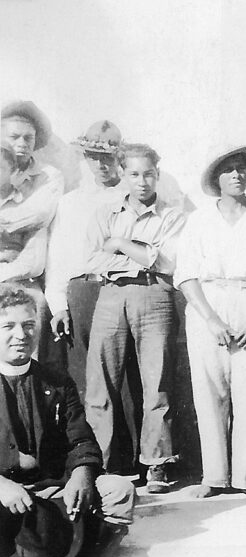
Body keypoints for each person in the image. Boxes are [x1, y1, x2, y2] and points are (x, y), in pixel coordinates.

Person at [0, 284, 135, 557]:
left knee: (119, 491)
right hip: (3, 492)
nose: (21, 335)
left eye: (28, 325)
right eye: (8, 326)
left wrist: (81, 474)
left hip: (50, 485)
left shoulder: (56, 380)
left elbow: (81, 439)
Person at [175, 145, 246, 499]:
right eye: (229, 170)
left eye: (242, 169)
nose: (237, 175)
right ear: (216, 178)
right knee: (209, 391)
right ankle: (214, 477)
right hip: (209, 305)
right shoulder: (199, 219)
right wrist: (212, 320)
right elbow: (186, 275)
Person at [83, 144, 184, 491]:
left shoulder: (172, 215)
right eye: (134, 174)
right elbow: (93, 261)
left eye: (149, 174)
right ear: (123, 175)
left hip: (155, 294)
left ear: (158, 173)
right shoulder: (105, 212)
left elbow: (168, 262)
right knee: (102, 381)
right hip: (111, 295)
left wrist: (121, 243)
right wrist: (142, 253)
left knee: (157, 381)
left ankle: (156, 462)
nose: (142, 182)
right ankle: (100, 463)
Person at [46, 121, 128, 395]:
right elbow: (57, 258)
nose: (101, 165)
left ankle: (124, 440)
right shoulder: (70, 202)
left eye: (107, 158)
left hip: (119, 290)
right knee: (83, 378)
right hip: (82, 294)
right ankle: (87, 439)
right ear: (86, 158)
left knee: (124, 380)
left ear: (119, 158)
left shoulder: (131, 197)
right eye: (94, 158)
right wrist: (59, 305)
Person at [0, 102, 64, 368]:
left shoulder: (48, 177)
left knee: (25, 363)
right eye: (14, 136)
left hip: (24, 282)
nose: (22, 143)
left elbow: (38, 216)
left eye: (29, 137)